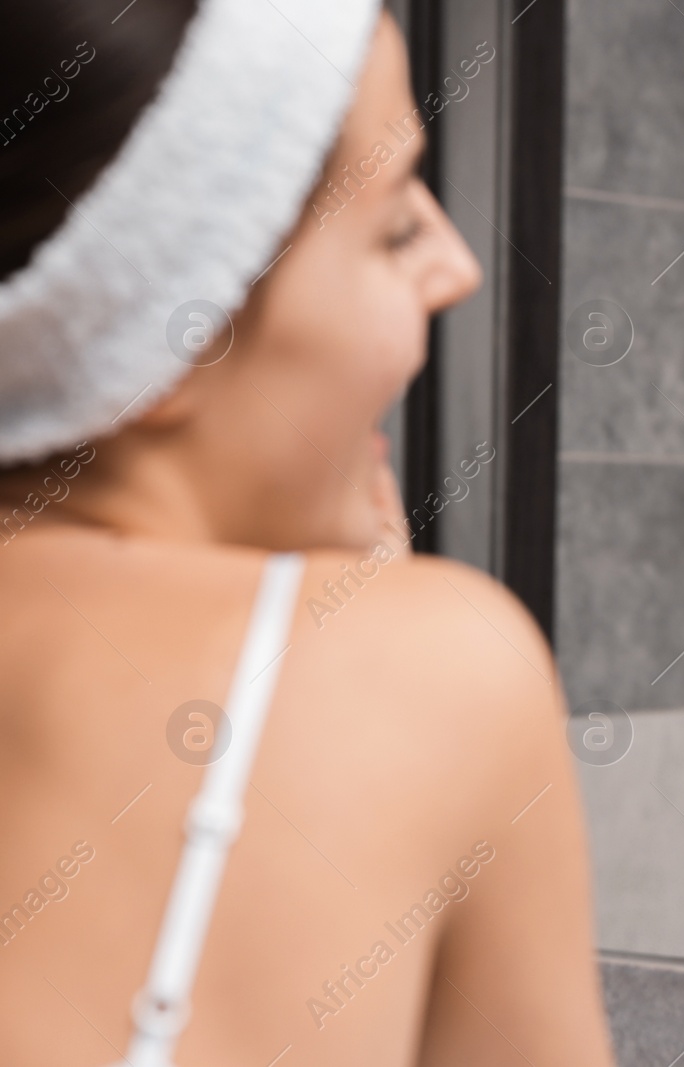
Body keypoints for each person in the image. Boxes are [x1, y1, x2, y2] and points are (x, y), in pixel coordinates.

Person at [0, 2, 614, 1064]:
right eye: (394, 224)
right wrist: (360, 630)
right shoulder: (439, 671)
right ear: (180, 336)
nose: (458, 266)